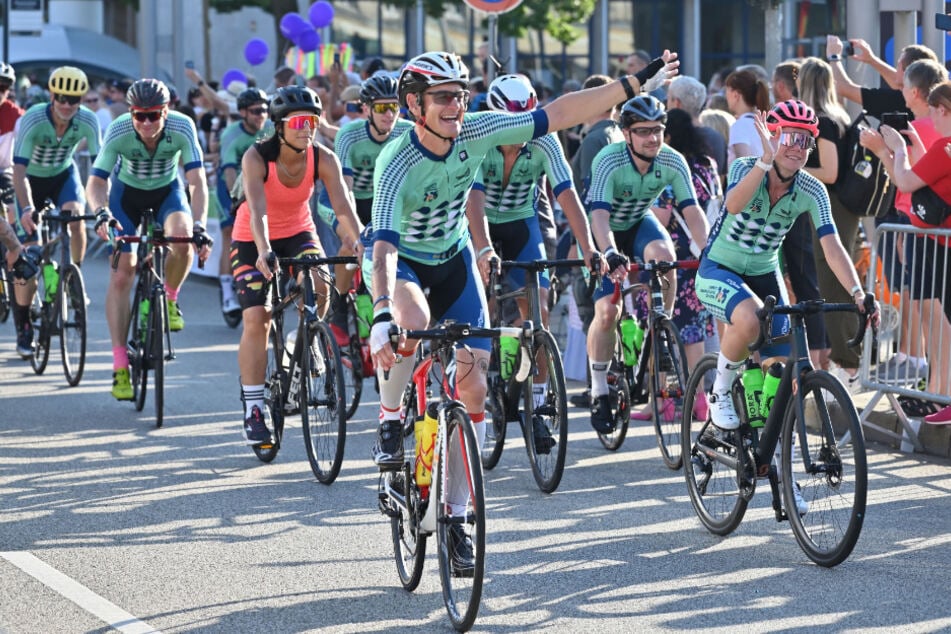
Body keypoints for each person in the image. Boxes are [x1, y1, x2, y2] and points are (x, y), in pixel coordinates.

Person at [368, 49, 678, 465]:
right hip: (404, 257)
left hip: (453, 253)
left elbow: (561, 113)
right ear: (414, 103)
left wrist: (634, 83)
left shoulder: (478, 129)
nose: (455, 105)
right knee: (413, 322)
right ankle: (389, 418)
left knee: (474, 386)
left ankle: (458, 510)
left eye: (460, 95)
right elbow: (385, 244)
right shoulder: (396, 159)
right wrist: (382, 312)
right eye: (442, 97)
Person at [695, 100, 873, 433]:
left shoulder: (812, 189)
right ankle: (720, 390)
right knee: (749, 320)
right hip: (719, 268)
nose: (797, 147)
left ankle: (768, 443)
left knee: (779, 369)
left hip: (765, 274)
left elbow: (832, 246)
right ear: (771, 136)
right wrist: (764, 162)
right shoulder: (745, 167)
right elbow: (733, 205)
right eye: (789, 137)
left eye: (805, 140)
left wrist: (857, 292)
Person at [465, 73, 600, 447]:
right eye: (512, 124)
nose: (521, 131)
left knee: (536, 308)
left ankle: (536, 408)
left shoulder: (544, 138)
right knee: (484, 301)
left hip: (522, 223)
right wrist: (482, 249)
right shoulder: (479, 136)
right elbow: (472, 200)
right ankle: (486, 373)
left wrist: (588, 248)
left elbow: (567, 194)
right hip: (480, 222)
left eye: (526, 121)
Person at [230, 86, 362, 444]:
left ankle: (306, 340)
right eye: (301, 122)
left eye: (314, 122)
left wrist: (362, 244)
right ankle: (254, 407)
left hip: (299, 230)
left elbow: (344, 210)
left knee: (321, 284)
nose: (308, 129)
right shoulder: (257, 157)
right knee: (258, 317)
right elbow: (257, 211)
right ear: (279, 126)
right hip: (253, 236)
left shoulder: (323, 158)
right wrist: (263, 249)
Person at [584, 95, 709, 433]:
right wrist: (608, 252)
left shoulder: (672, 159)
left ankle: (659, 324)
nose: (652, 138)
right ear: (626, 134)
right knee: (608, 313)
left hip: (639, 223)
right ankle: (598, 389)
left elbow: (692, 211)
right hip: (604, 230)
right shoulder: (608, 160)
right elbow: (598, 215)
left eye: (657, 130)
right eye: (643, 131)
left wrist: (708, 249)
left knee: (665, 257)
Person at [88, 79, 213, 400]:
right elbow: (97, 181)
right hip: (125, 198)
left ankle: (170, 298)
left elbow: (197, 182)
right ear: (130, 112)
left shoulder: (183, 127)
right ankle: (119, 367)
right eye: (139, 116)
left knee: (182, 238)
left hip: (167, 194)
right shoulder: (118, 130)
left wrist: (200, 225)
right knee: (123, 272)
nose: (146, 123)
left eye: (153, 116)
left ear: (166, 111)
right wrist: (101, 212)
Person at [627, 107, 717, 421]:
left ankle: (660, 400)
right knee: (695, 334)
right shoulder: (707, 165)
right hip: (698, 258)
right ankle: (700, 400)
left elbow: (661, 217)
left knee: (656, 328)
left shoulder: (668, 170)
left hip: (668, 260)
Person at [873, 81, 951, 424]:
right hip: (939, 242)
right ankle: (939, 393)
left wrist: (892, 149)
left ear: (942, 109)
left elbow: (905, 182)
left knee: (943, 321)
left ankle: (941, 392)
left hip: (942, 245)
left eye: (934, 110)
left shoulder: (947, 146)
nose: (930, 117)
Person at [11, 66, 101, 358]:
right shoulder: (34, 119)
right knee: (29, 256)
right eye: (61, 97)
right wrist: (25, 208)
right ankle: (24, 324)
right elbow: (19, 170)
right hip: (30, 182)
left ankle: (74, 277)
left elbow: (100, 169)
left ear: (81, 100)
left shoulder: (88, 120)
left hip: (63, 176)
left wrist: (102, 207)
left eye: (73, 99)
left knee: (76, 218)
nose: (66, 105)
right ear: (52, 95)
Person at [317, 73, 412, 342]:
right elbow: (343, 190)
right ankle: (337, 311)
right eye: (382, 108)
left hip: (382, 201)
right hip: (344, 200)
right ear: (366, 109)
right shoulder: (350, 134)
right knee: (350, 242)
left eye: (394, 107)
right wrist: (356, 231)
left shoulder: (406, 131)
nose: (389, 114)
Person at [796, 57, 859, 385]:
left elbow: (830, 172)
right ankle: (846, 359)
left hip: (833, 204)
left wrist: (793, 167)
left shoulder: (825, 121)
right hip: (838, 205)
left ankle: (847, 362)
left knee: (834, 282)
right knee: (837, 282)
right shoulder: (838, 116)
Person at [215, 88, 271, 321]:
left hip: (260, 186)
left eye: (266, 110)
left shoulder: (270, 130)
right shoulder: (231, 134)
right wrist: (236, 202)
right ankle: (228, 293)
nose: (262, 115)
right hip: (232, 187)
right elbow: (229, 172)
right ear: (243, 113)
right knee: (231, 234)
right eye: (256, 111)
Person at [667, 74, 727, 181]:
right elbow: (721, 179)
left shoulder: (671, 138)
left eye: (668, 99)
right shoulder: (717, 137)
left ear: (676, 103)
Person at [724, 69, 770, 166]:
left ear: (736, 95)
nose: (725, 96)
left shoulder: (740, 126)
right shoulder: (763, 122)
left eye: (726, 91)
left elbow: (744, 164)